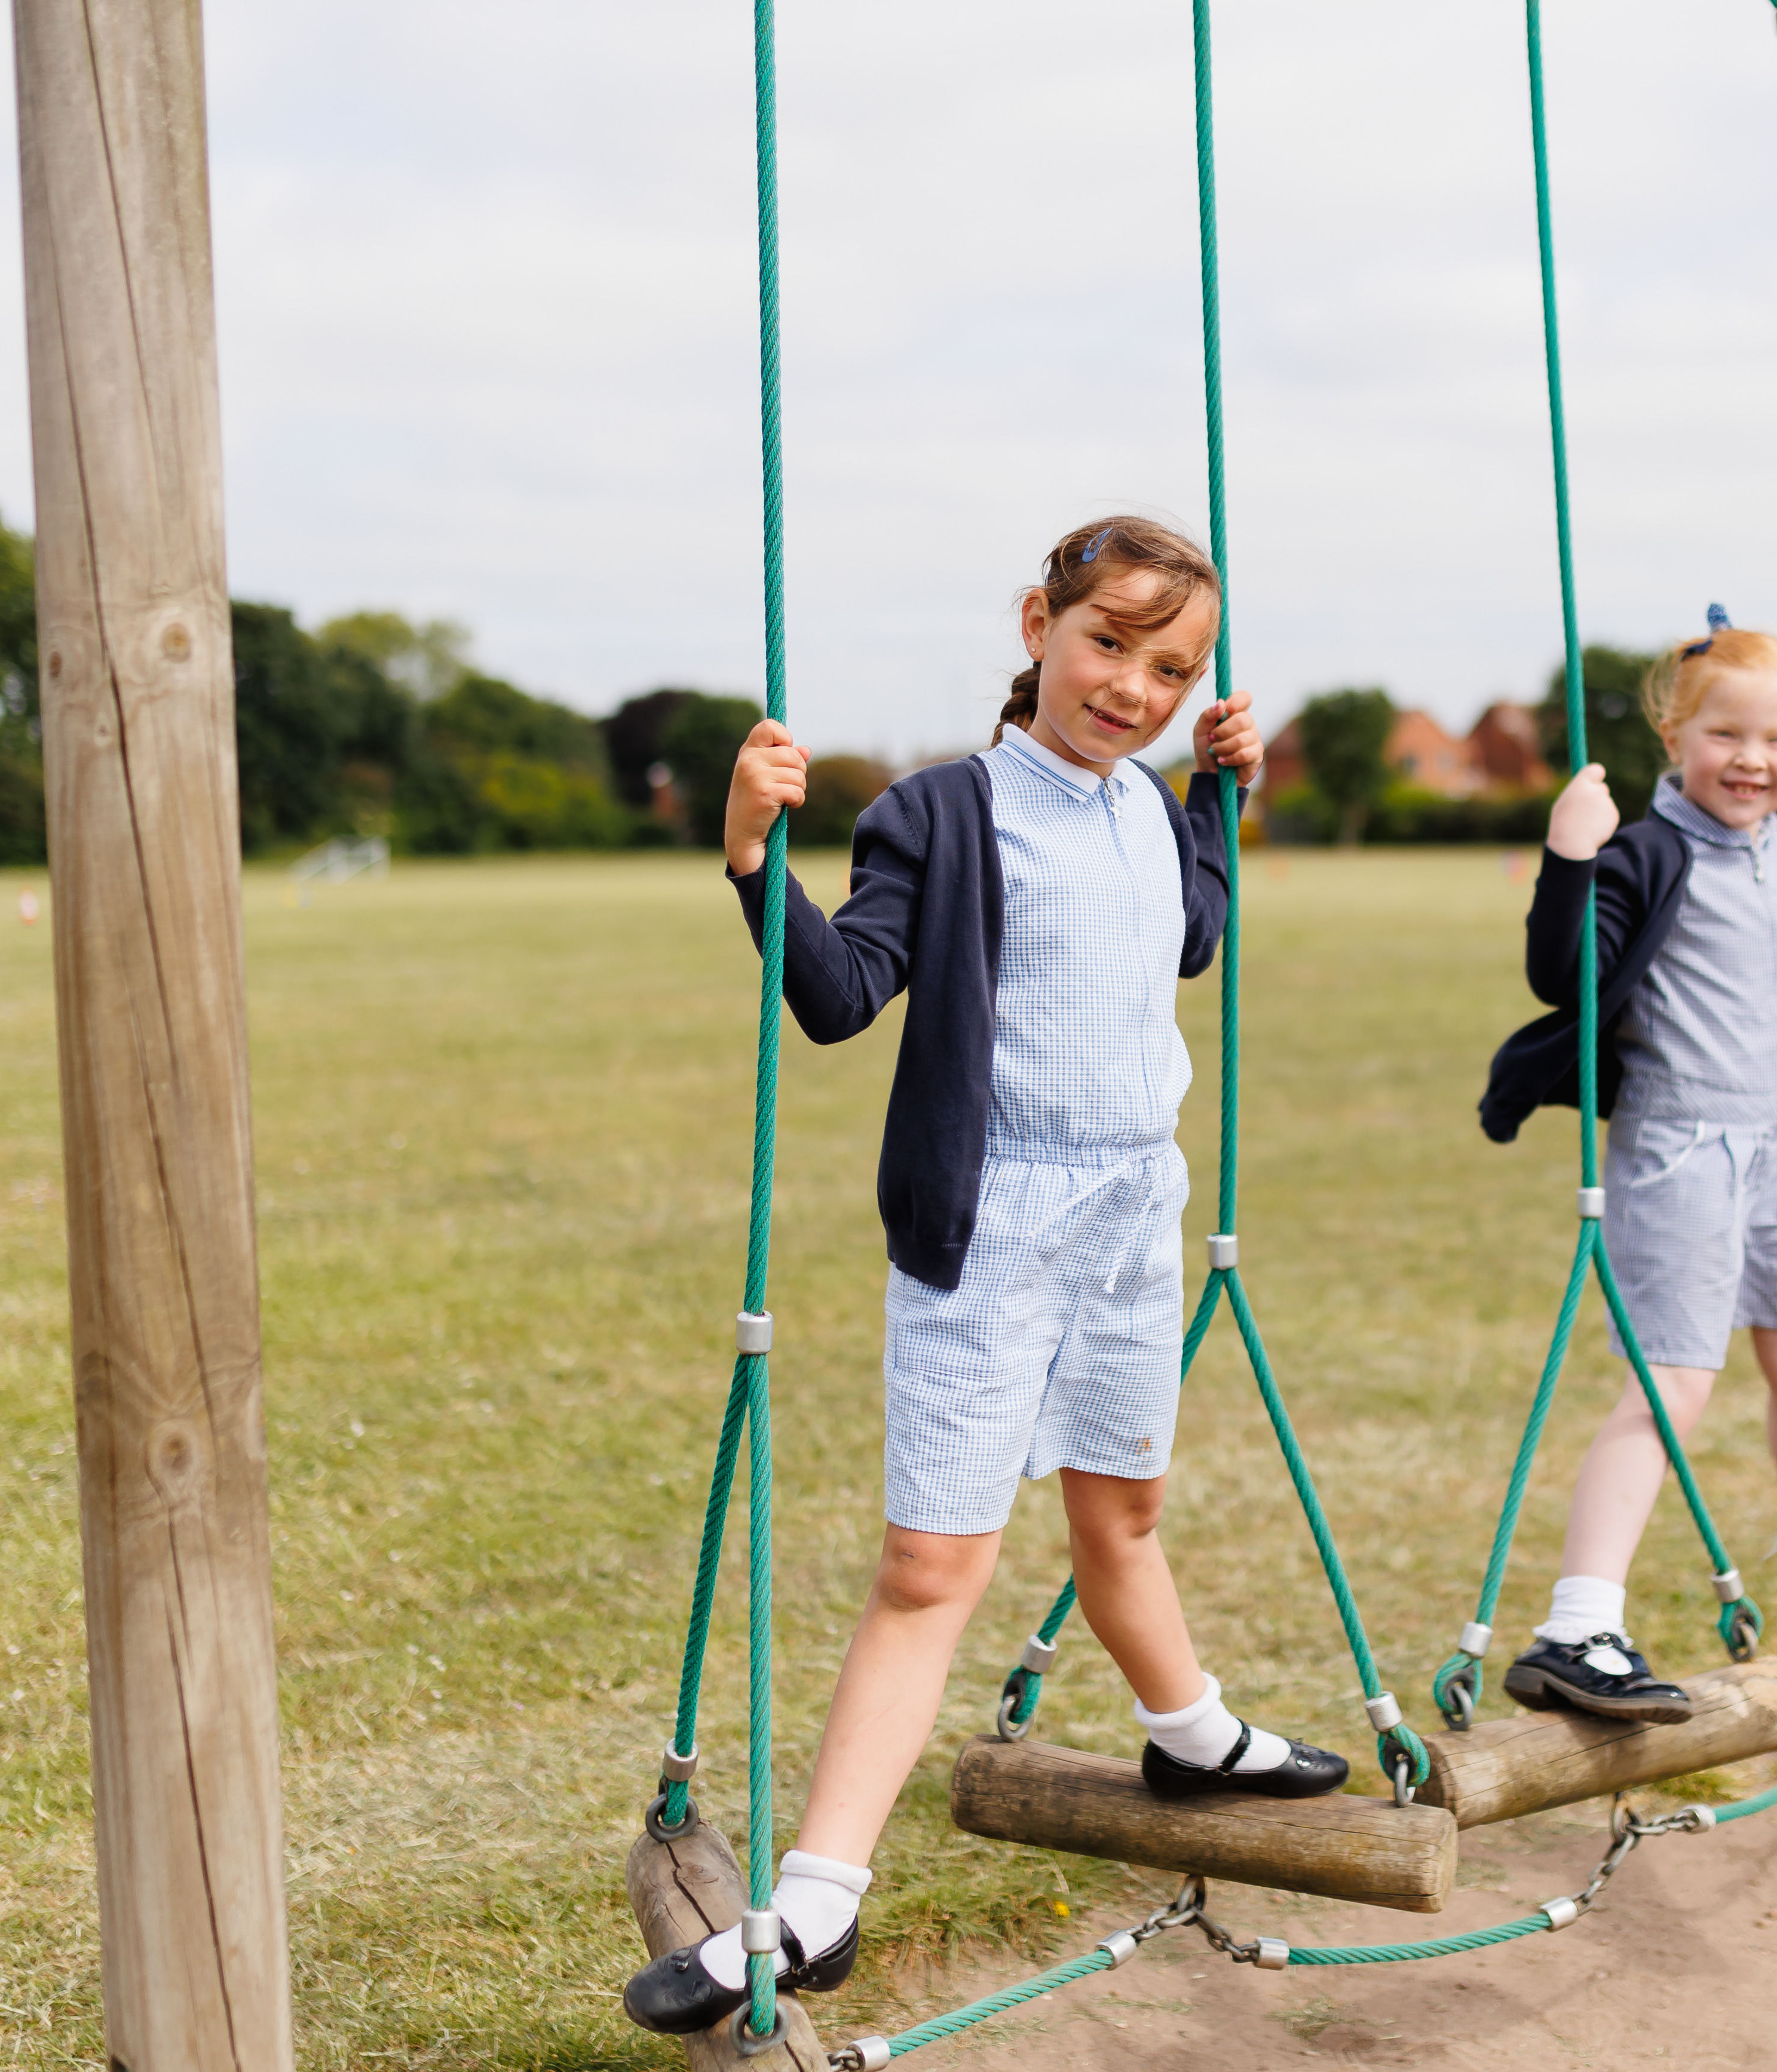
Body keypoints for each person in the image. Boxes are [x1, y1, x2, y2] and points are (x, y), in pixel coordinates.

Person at [624, 517, 1347, 2037]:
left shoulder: (1152, 809)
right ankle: (819, 1894)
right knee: (931, 1568)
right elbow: (837, 998)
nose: (1134, 687)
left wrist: (1218, 795)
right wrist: (755, 856)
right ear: (1038, 623)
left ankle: (1190, 1735)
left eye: (1174, 667)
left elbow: (1191, 939)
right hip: (995, 1224)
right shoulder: (942, 815)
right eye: (1110, 645)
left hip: (1135, 1213)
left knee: (1121, 1514)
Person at [1475, 611, 1777, 1725]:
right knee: (1672, 1384)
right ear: (1673, 737)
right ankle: (1576, 1624)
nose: (1753, 760)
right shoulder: (1646, 851)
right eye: (1727, 736)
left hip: (1776, 1139)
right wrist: (1568, 854)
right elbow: (1565, 975)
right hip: (1681, 1146)